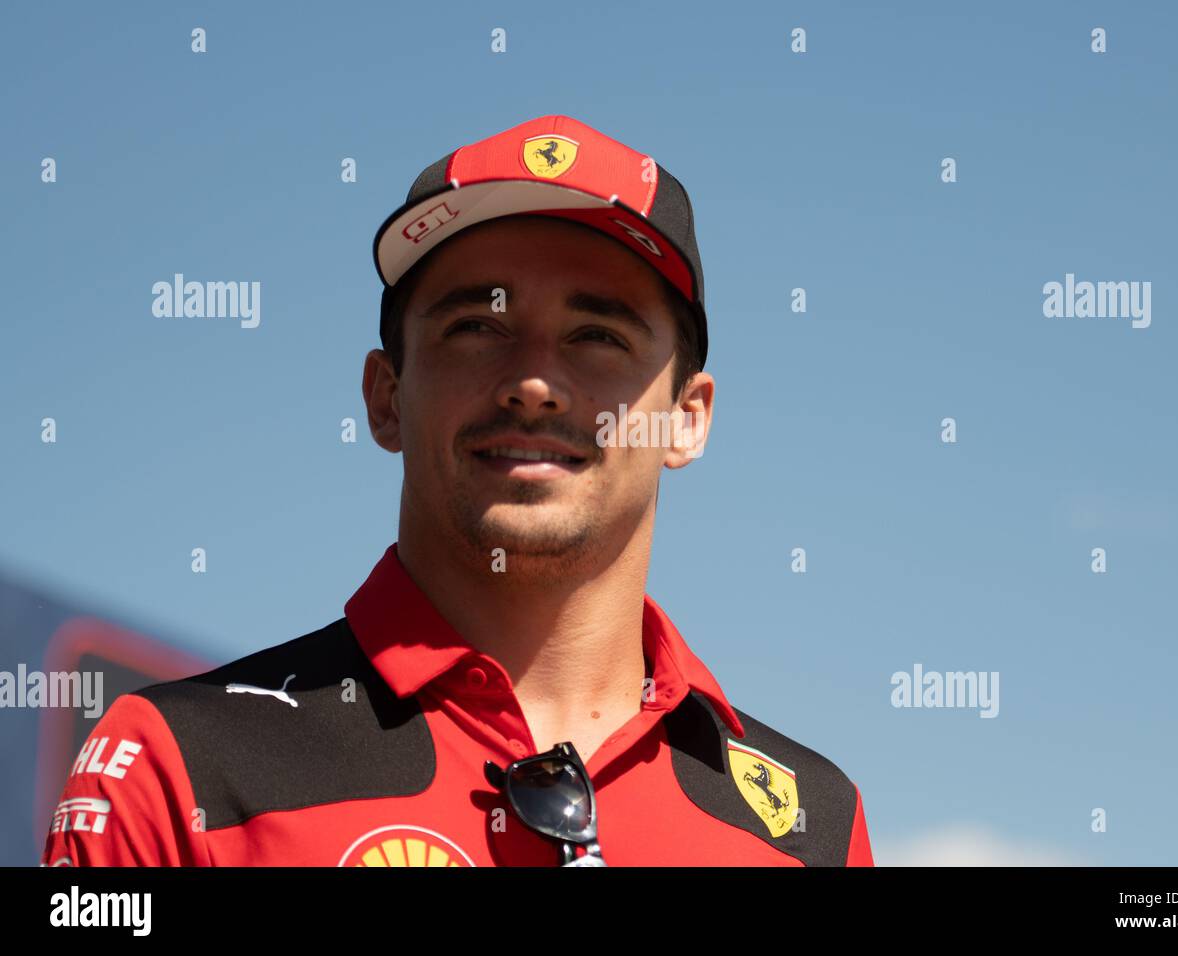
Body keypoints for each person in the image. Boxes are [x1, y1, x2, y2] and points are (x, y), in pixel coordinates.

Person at [40, 114, 874, 866]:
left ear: (688, 419)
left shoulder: (815, 827)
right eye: (477, 327)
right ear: (385, 395)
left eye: (597, 335)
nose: (536, 384)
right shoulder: (175, 768)